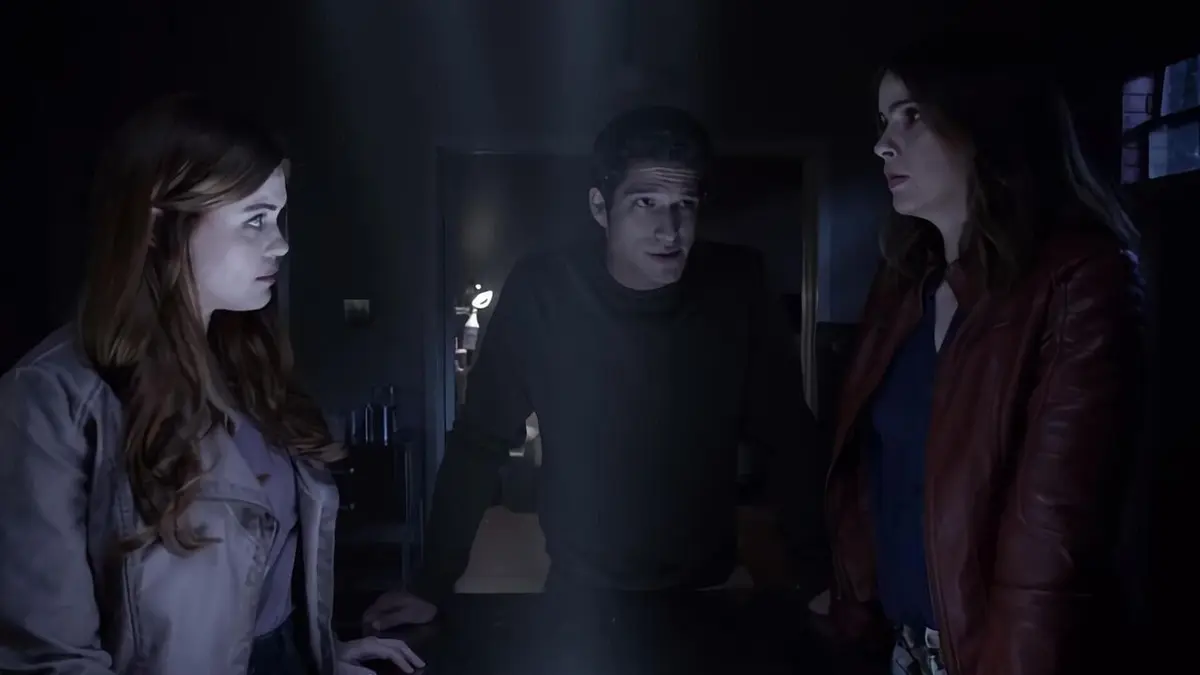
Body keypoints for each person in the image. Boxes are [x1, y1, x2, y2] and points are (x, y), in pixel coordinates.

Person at [0, 94, 424, 675]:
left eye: (278, 219)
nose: (281, 243)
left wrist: (319, 652)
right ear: (160, 224)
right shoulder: (50, 400)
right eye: (255, 221)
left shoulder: (248, 370)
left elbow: (257, 584)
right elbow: (49, 658)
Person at [363, 106, 829, 630]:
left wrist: (820, 575)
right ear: (600, 207)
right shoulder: (544, 290)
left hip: (709, 585)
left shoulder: (737, 284)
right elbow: (480, 440)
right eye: (645, 203)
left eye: (685, 204)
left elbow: (788, 434)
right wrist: (431, 582)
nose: (670, 230)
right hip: (582, 589)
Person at [823, 34, 1143, 675]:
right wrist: (852, 606)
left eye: (912, 115)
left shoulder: (1078, 280)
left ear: (986, 124)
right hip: (901, 649)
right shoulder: (904, 281)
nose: (883, 143)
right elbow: (871, 475)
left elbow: (1051, 537)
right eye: (884, 120)